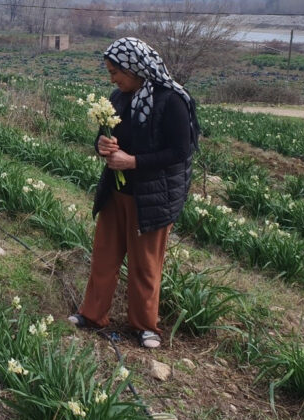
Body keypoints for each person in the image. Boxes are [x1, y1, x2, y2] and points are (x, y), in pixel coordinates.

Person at [68, 37, 197, 348]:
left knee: (145, 263)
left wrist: (133, 161)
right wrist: (103, 145)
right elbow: (106, 135)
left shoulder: (172, 100)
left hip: (153, 197)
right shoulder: (120, 97)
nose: (112, 78)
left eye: (116, 72)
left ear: (135, 68)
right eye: (110, 72)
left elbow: (180, 151)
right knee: (104, 256)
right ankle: (92, 314)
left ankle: (144, 326)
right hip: (117, 192)